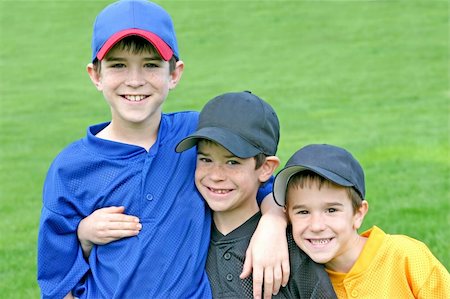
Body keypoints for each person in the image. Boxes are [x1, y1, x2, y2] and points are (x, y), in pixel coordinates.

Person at [37, 1, 289, 298]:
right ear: (96, 74)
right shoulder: (71, 168)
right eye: (118, 65)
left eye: (151, 65)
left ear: (174, 73)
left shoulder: (197, 136)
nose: (135, 80)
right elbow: (58, 278)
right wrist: (83, 235)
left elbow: (264, 185)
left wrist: (273, 225)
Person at [175, 91, 337, 299]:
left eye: (232, 162)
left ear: (266, 168)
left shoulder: (291, 249)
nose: (216, 176)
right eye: (205, 159)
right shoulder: (191, 240)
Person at [273, 144, 450, 298]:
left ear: (358, 214)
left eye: (331, 210)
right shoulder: (300, 278)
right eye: (303, 212)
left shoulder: (405, 256)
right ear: (287, 216)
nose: (317, 225)